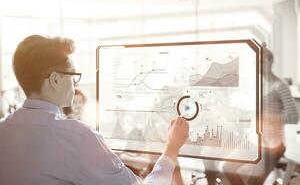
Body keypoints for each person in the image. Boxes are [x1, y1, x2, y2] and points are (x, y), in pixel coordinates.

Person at [0, 35, 189, 185]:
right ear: (55, 80)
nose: (75, 85)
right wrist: (171, 150)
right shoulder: (76, 136)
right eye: (73, 76)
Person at [223, 43, 299, 184]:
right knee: (227, 167)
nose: (257, 65)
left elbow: (294, 117)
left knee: (253, 182)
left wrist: (268, 117)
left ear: (270, 62)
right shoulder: (258, 84)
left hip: (273, 146)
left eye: (261, 62)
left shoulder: (280, 86)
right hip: (254, 141)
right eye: (255, 62)